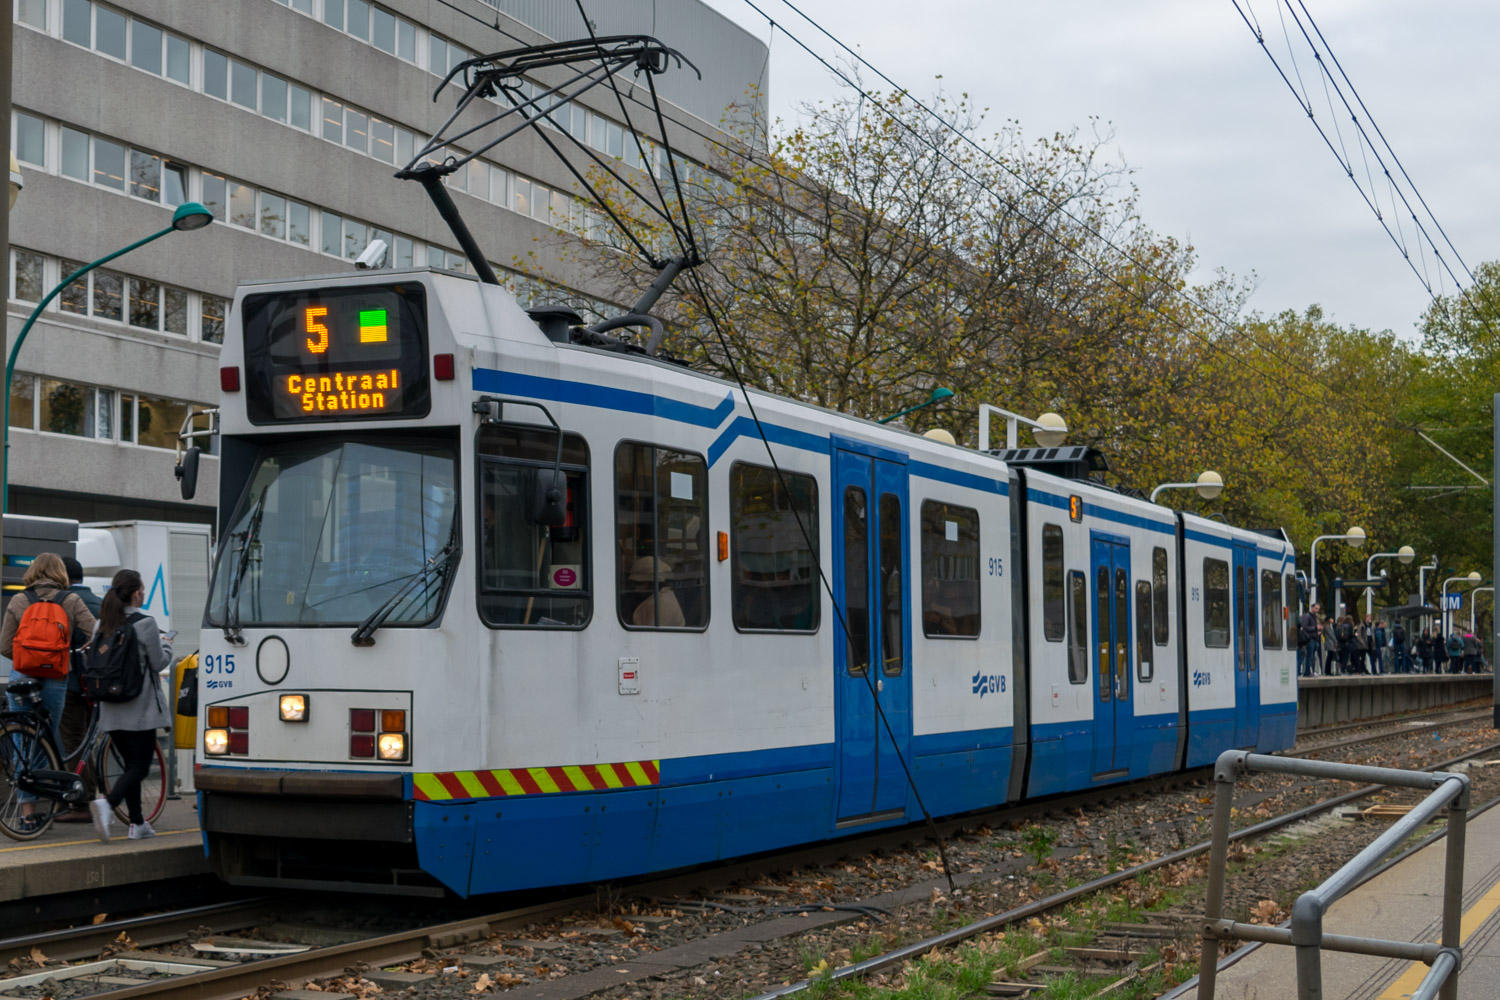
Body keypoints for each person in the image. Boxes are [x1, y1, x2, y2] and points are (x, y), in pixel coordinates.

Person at [0, 553, 97, 832]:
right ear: (60, 573)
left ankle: (27, 813)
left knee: (22, 741)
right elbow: (95, 630)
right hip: (55, 677)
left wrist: (26, 657)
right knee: (48, 736)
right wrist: (73, 651)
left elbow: (5, 645)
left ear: (33, 571)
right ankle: (48, 802)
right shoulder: (71, 600)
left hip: (22, 678)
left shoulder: (19, 600)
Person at [88, 569, 173, 842]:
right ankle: (108, 804)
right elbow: (159, 662)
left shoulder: (100, 624)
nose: (144, 593)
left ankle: (137, 824)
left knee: (130, 765)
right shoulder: (145, 623)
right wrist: (167, 645)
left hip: (110, 709)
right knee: (140, 767)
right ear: (136, 593)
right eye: (143, 589)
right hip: (140, 709)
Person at [625, 556, 685, 628]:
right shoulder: (667, 594)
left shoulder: (654, 605)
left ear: (649, 583)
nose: (635, 590)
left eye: (637, 584)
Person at [1298, 603, 1321, 677]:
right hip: (1309, 639)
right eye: (1316, 608)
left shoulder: (1314, 617)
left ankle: (1310, 671)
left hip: (1314, 638)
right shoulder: (1307, 616)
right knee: (1309, 655)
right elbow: (1305, 627)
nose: (1317, 610)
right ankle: (1307, 671)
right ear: (1312, 608)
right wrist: (1315, 628)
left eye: (1318, 609)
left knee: (1311, 656)